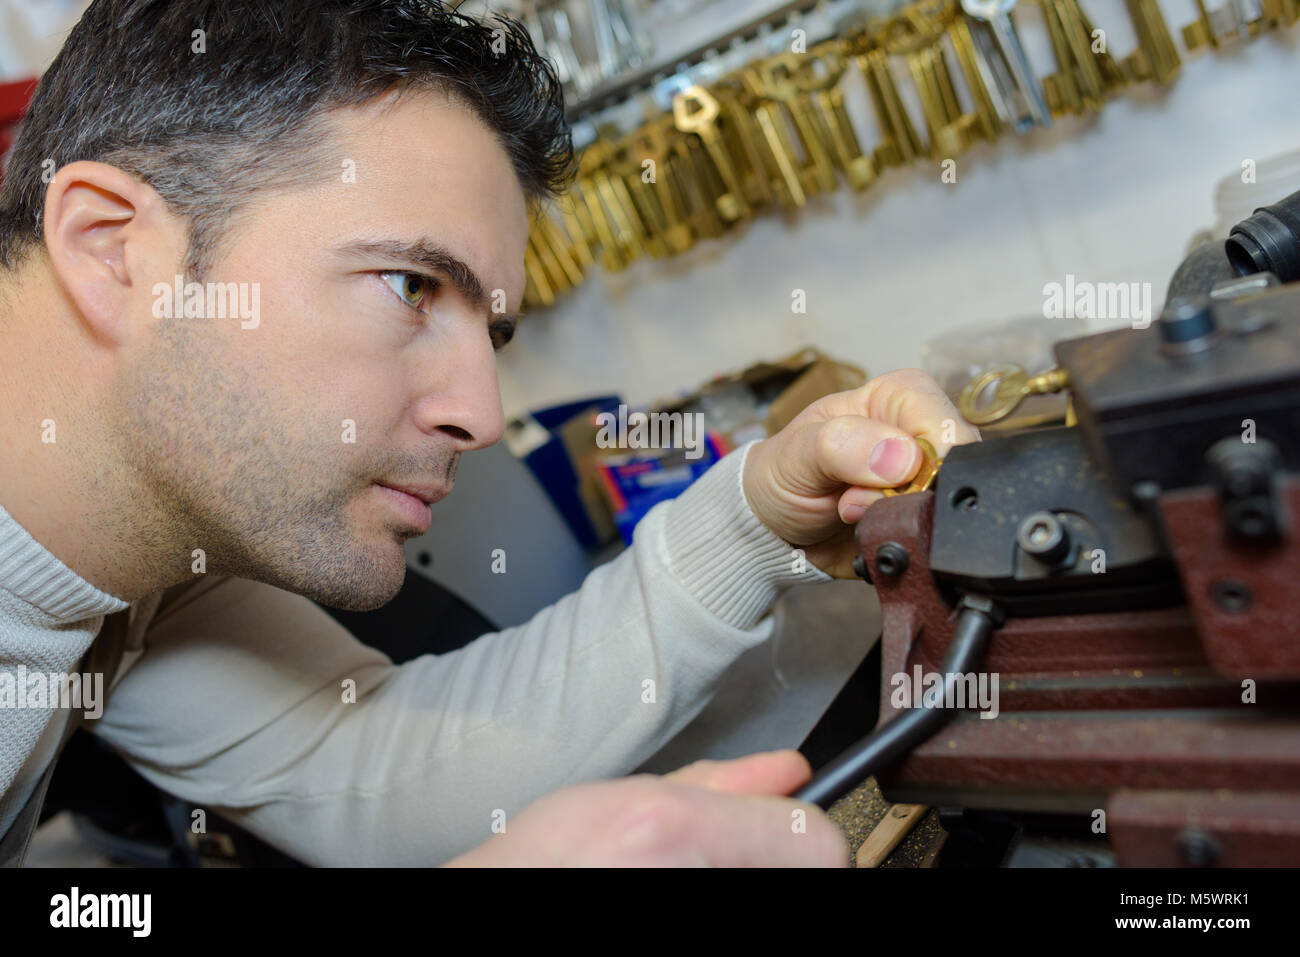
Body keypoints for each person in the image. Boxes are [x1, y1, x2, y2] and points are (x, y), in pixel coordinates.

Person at [0, 0, 978, 866]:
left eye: (494, 330)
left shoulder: (149, 568)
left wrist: (750, 520)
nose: (476, 411)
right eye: (409, 285)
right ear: (114, 249)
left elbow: (358, 767)